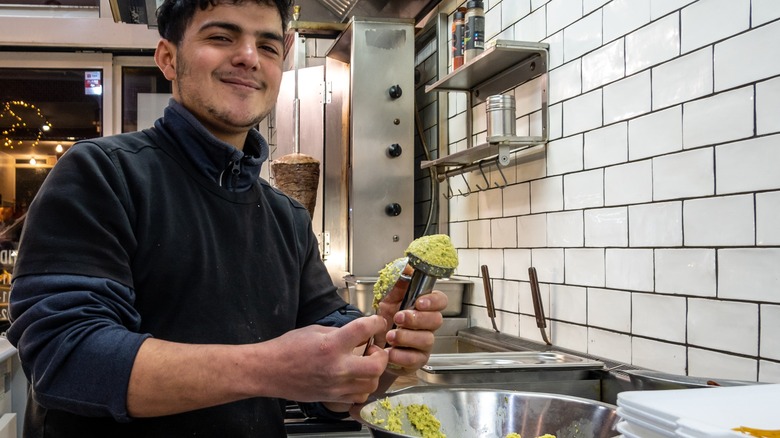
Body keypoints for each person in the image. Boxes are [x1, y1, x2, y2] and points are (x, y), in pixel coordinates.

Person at [6, 0, 448, 436]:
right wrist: (269, 368)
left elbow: (332, 391)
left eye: (269, 46)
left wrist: (376, 351)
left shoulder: (287, 218)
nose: (249, 58)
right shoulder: (102, 174)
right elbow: (64, 357)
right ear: (168, 58)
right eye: (221, 37)